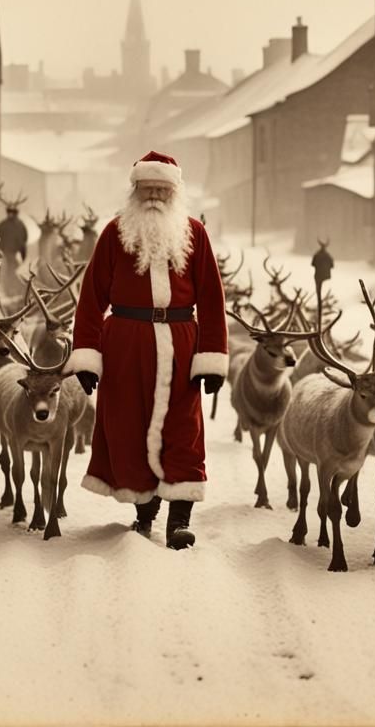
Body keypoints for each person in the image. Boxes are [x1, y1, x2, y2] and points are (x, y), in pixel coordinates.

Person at [66, 151, 228, 549]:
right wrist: (88, 354)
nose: (154, 195)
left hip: (181, 344)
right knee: (128, 427)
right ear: (134, 190)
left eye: (162, 188)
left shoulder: (194, 234)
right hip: (125, 343)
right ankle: (144, 508)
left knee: (183, 429)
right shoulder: (115, 233)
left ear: (175, 191)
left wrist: (211, 359)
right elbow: (91, 298)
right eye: (147, 188)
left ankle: (179, 520)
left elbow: (210, 299)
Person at [312, 239, 334, 307]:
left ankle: (319, 302)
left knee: (318, 289)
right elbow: (332, 265)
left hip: (318, 275)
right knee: (321, 289)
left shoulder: (317, 255)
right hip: (325, 276)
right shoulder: (328, 256)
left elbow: (313, 264)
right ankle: (321, 303)